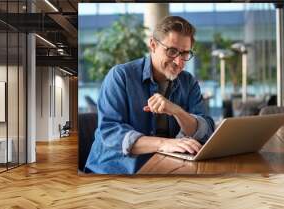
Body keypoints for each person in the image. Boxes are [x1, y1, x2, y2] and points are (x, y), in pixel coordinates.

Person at [85, 16, 215, 174]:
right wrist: (164, 144)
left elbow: (206, 129)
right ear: (153, 45)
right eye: (172, 51)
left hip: (165, 167)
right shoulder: (120, 76)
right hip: (113, 171)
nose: (179, 61)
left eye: (185, 53)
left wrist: (177, 111)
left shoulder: (188, 82)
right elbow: (111, 132)